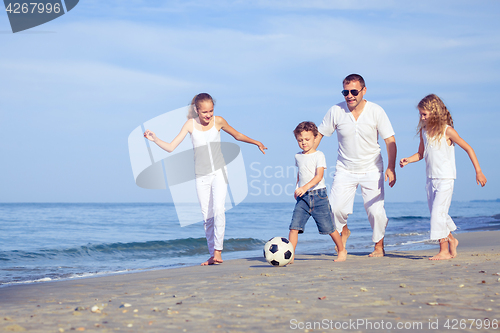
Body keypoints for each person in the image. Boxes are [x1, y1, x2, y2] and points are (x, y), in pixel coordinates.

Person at [144, 93, 267, 265]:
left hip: (219, 172)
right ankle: (212, 254)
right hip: (201, 175)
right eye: (204, 112)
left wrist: (256, 142)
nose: (208, 115)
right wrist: (155, 139)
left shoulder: (218, 121)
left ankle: (218, 252)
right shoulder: (190, 125)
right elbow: (171, 147)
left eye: (211, 111)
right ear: (197, 110)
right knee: (207, 217)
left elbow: (237, 135)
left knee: (218, 210)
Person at [315, 74, 397, 257]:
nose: (349, 95)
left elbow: (390, 140)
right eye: (346, 92)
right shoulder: (336, 110)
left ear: (364, 90)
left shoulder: (376, 111)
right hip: (345, 168)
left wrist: (391, 167)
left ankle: (378, 247)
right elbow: (320, 134)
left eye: (354, 91)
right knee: (334, 209)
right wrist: (308, 157)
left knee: (376, 211)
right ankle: (344, 231)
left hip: (372, 168)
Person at [399, 94, 486, 260]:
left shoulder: (448, 131)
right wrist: (408, 160)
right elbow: (421, 153)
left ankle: (444, 250)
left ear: (435, 112)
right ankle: (452, 240)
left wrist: (478, 171)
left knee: (438, 214)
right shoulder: (424, 131)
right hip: (430, 179)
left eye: (424, 114)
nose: (421, 117)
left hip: (446, 178)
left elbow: (469, 148)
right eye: (420, 114)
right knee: (439, 214)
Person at [288, 121, 347, 263]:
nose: (304, 143)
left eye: (307, 139)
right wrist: (297, 187)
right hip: (302, 198)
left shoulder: (319, 155)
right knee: (294, 227)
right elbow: (300, 173)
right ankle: (290, 255)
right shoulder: (298, 156)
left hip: (319, 196)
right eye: (300, 140)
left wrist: (304, 187)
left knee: (329, 228)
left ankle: (341, 250)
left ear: (315, 138)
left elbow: (319, 176)